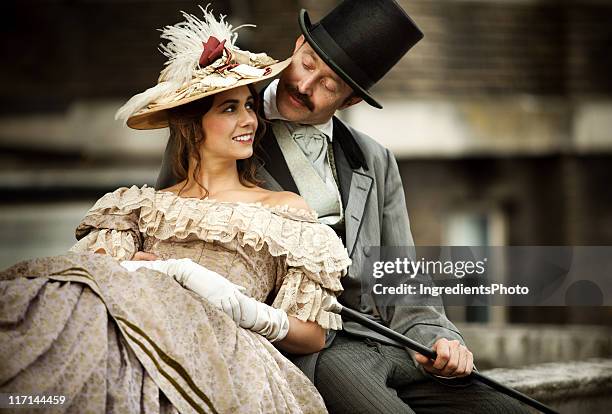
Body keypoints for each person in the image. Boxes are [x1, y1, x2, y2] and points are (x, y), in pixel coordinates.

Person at [153, 1, 529, 413]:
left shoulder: (375, 157)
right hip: (313, 354)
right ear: (297, 45)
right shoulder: (222, 128)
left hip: (392, 343)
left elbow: (399, 273)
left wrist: (438, 338)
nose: (306, 84)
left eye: (330, 85)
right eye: (307, 62)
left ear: (350, 101)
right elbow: (171, 222)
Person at [0, 8, 350, 413]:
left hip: (225, 354)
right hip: (134, 340)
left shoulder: (284, 212)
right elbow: (84, 279)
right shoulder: (141, 208)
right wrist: (154, 271)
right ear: (191, 125)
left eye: (250, 106)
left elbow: (314, 335)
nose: (249, 119)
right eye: (229, 108)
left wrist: (242, 308)